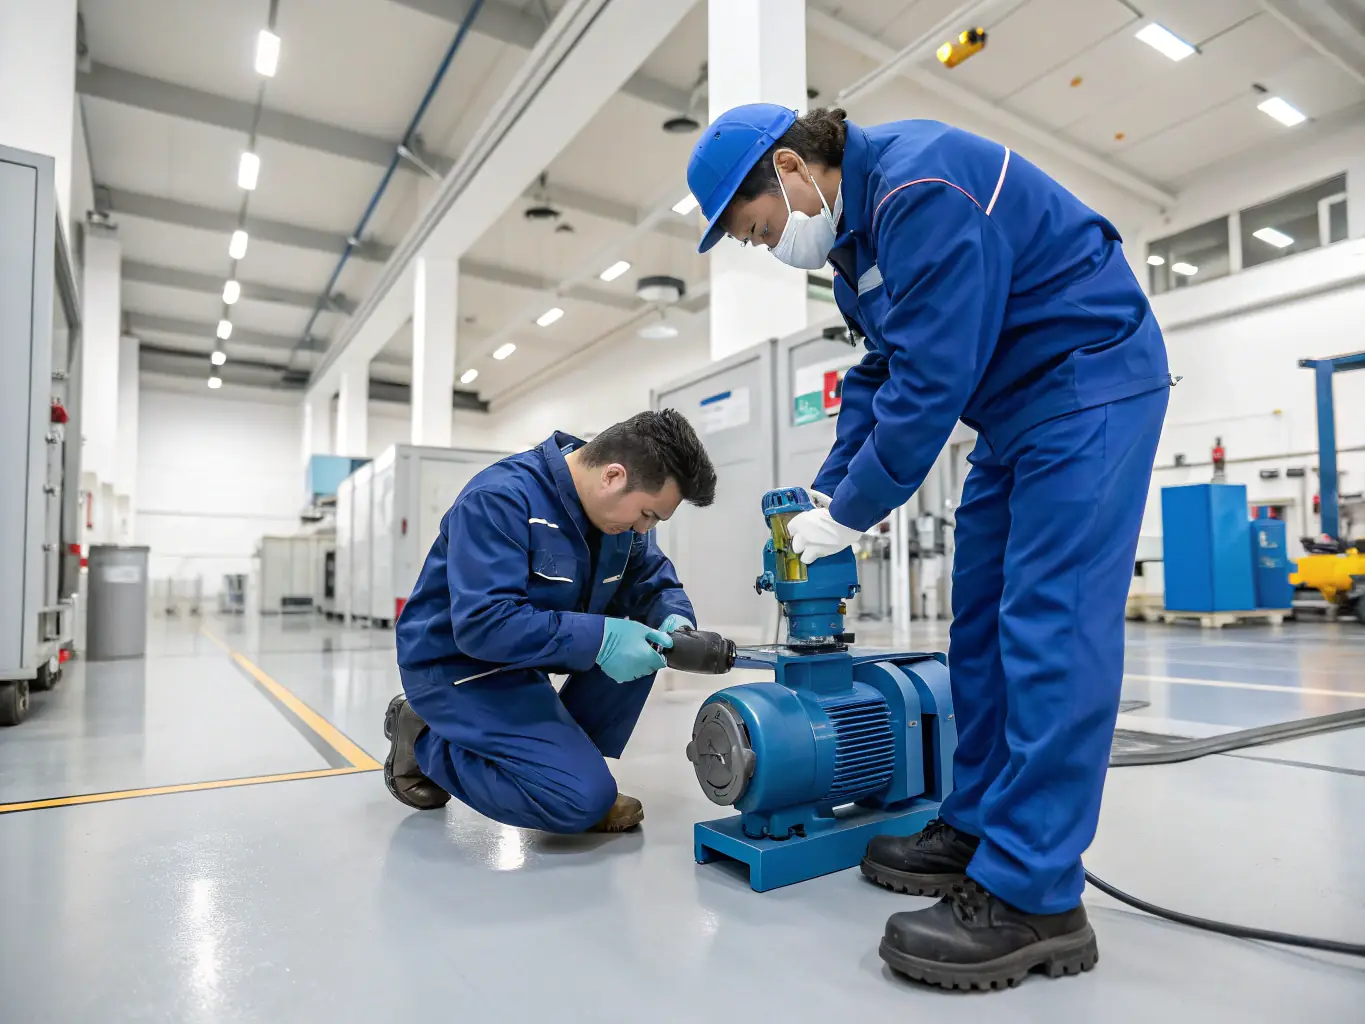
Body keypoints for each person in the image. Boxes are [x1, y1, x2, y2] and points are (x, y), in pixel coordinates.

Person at [687, 105, 1170, 990]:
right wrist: (827, 497)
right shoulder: (852, 250)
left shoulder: (920, 185)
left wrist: (857, 508)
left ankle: (1035, 896)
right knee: (979, 624)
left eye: (756, 229)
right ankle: (977, 822)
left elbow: (932, 379)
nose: (764, 246)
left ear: (790, 167)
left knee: (1049, 630)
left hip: (1088, 384)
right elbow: (878, 371)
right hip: (1013, 413)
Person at [385, 411, 717, 835]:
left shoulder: (617, 517)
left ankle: (563, 762)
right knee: (578, 803)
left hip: (526, 657)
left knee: (649, 643)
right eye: (647, 514)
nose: (644, 528)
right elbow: (483, 624)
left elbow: (651, 580)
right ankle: (424, 738)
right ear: (613, 476)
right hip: (458, 668)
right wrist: (601, 638)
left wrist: (676, 621)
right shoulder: (499, 499)